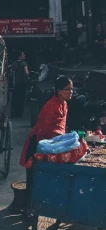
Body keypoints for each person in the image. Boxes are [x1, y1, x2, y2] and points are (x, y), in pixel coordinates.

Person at [19, 75, 73, 208]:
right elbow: (46, 130)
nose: (71, 92)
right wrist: (63, 142)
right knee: (33, 179)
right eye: (68, 89)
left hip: (50, 146)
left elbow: (61, 128)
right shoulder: (51, 106)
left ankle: (39, 206)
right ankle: (28, 209)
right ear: (59, 91)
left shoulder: (64, 104)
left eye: (72, 89)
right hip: (38, 143)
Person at [10, 51, 29, 118]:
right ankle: (19, 113)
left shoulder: (14, 63)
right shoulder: (24, 63)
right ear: (19, 56)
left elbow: (11, 72)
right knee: (21, 98)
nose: (24, 55)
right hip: (22, 83)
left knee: (15, 98)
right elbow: (27, 73)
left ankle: (14, 112)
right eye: (23, 54)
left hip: (16, 83)